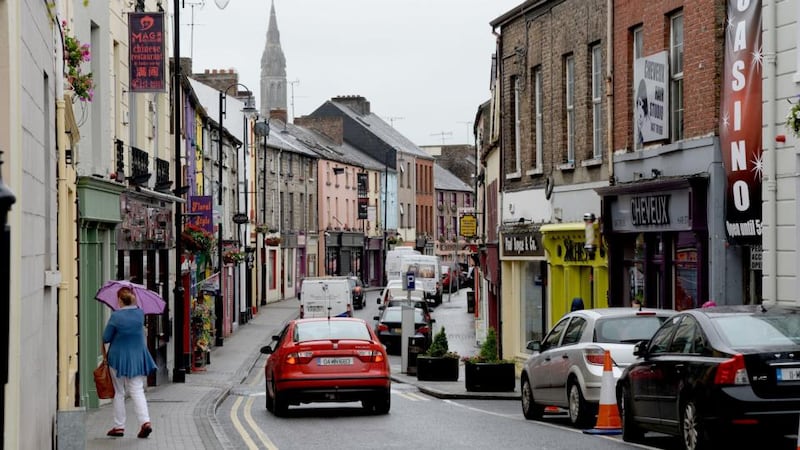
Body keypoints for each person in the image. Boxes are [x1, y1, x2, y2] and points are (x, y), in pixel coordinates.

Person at [103, 286, 157, 438]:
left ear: (119, 300)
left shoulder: (116, 317)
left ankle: (119, 426)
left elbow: (106, 337)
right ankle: (145, 422)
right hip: (137, 358)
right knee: (137, 390)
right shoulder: (140, 314)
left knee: (119, 392)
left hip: (118, 358)